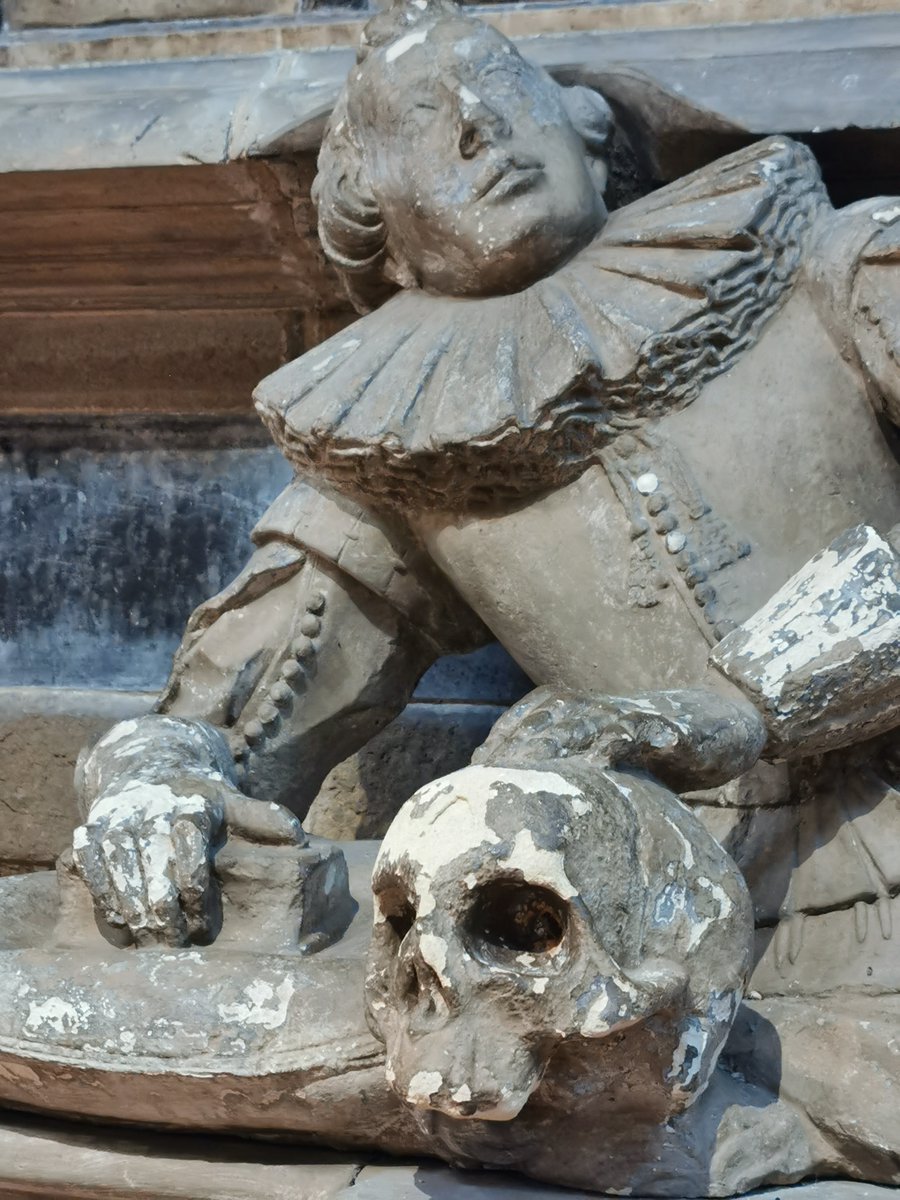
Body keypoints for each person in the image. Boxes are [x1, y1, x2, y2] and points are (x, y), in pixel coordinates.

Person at [74, 0, 900, 985]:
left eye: (504, 84)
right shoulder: (390, 450)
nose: (476, 125)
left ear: (586, 136)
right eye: (419, 121)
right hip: (649, 935)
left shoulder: (842, 266)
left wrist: (738, 703)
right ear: (377, 222)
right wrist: (153, 786)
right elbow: (230, 722)